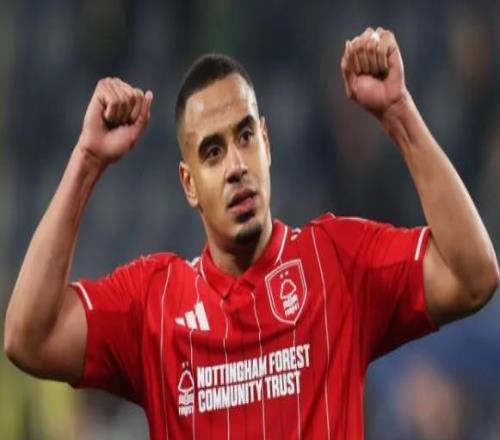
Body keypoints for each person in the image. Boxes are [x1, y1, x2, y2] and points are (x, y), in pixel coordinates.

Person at [4, 27, 499, 439]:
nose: (236, 166)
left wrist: (398, 113)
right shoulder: (153, 307)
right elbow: (28, 337)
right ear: (189, 184)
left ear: (267, 142)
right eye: (212, 152)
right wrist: (87, 161)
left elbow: (474, 276)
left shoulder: (338, 264)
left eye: (244, 136)